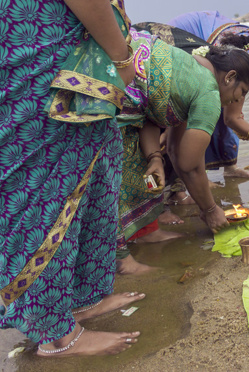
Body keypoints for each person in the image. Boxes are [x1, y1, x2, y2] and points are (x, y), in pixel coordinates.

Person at [1, 0, 144, 357]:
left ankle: (80, 298)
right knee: (49, 187)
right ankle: (54, 333)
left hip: (79, 57)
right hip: (44, 53)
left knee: (95, 172)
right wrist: (121, 57)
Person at [113, 28, 249, 274]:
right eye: (241, 92)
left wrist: (155, 158)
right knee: (112, 183)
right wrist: (211, 210)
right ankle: (119, 258)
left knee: (148, 175)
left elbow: (167, 139)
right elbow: (190, 165)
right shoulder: (209, 93)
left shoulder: (190, 66)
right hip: (108, 101)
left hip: (123, 95)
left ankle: (142, 233)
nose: (236, 101)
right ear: (229, 77)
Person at [165, 12, 249, 182]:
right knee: (201, 109)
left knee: (225, 100)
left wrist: (238, 117)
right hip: (181, 36)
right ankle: (186, 180)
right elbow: (231, 118)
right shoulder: (247, 61)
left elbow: (232, 111)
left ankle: (227, 168)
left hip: (205, 25)